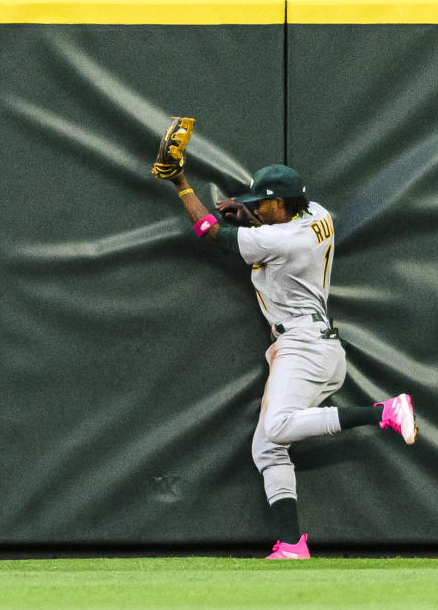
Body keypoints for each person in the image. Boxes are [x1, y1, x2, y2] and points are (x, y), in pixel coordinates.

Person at [152, 119, 417, 559]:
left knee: (276, 427)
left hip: (304, 345)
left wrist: (179, 181)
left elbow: (210, 234)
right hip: (317, 344)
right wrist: (254, 214)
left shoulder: (281, 240)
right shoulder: (319, 215)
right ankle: (292, 544)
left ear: (282, 204)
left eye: (263, 202)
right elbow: (275, 224)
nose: (257, 206)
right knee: (269, 448)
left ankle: (385, 411)